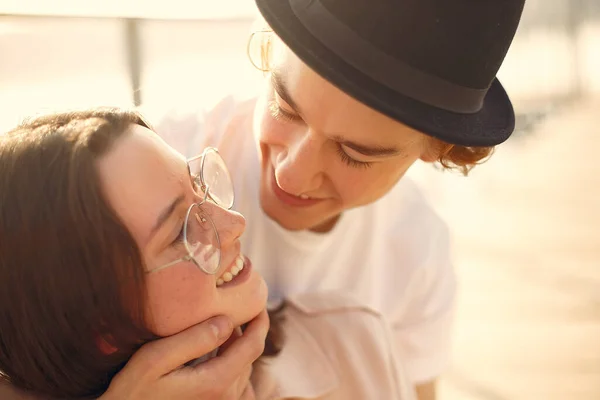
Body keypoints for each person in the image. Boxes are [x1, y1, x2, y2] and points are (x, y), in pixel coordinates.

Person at [3, 0, 528, 398]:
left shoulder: (414, 259)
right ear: (270, 47)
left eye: (354, 153)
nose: (292, 171)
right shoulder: (152, 163)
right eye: (285, 105)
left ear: (438, 151)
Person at [0, 109, 416, 399]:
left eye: (199, 186)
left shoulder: (357, 346)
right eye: (182, 233)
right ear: (102, 327)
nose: (235, 223)